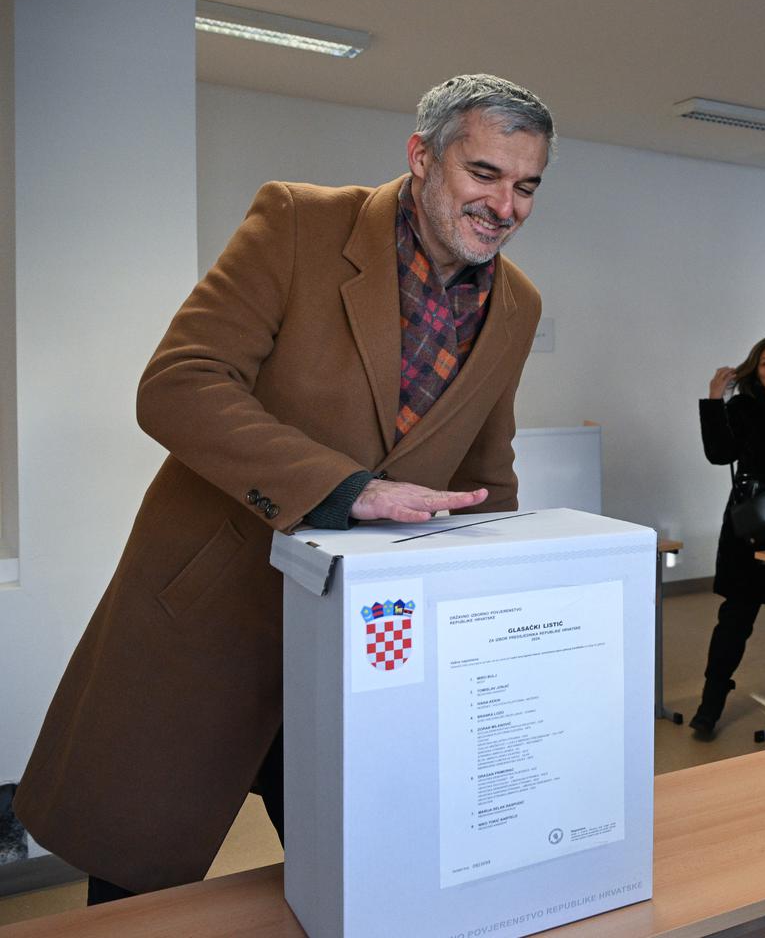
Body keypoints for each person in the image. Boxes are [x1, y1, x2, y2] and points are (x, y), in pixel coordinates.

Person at [14, 74, 554, 903]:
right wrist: (346, 490)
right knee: (140, 881)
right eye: (483, 174)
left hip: (360, 644)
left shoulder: (516, 304)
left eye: (526, 186)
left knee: (365, 875)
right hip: (213, 614)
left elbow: (486, 477)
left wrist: (500, 619)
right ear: (421, 157)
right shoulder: (301, 222)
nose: (505, 205)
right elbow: (179, 384)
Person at [690, 334, 765, 738]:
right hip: (754, 524)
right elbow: (719, 454)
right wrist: (714, 399)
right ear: (755, 369)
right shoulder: (743, 406)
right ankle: (710, 706)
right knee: (735, 619)